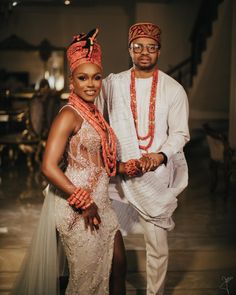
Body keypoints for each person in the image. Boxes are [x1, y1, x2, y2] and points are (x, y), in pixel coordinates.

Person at [11, 28, 128, 295]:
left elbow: (100, 162)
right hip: (79, 206)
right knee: (87, 283)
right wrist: (83, 202)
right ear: (71, 81)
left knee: (119, 268)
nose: (91, 84)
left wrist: (130, 165)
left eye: (96, 77)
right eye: (83, 78)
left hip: (102, 204)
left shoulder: (95, 113)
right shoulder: (69, 115)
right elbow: (48, 166)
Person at [96, 22, 190, 295]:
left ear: (159, 52)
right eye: (138, 47)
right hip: (119, 174)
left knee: (157, 247)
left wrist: (159, 156)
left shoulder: (173, 90)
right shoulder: (113, 84)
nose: (144, 53)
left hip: (154, 178)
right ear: (130, 50)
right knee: (105, 237)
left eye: (151, 48)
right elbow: (93, 112)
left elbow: (181, 134)